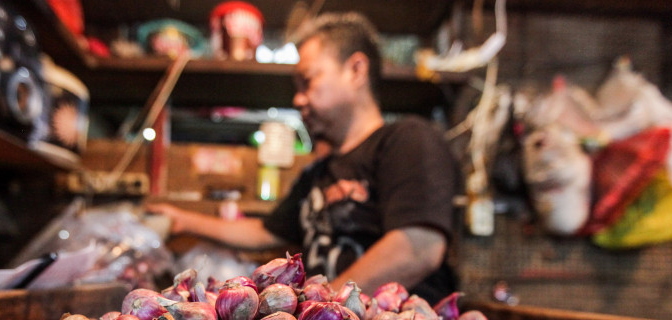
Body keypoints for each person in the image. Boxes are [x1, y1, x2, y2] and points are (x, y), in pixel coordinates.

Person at [148, 11, 460, 304]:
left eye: (307, 81)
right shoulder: (318, 174)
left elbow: (419, 247)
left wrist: (323, 305)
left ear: (356, 70)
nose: (298, 99)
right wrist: (183, 220)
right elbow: (265, 232)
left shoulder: (407, 140)